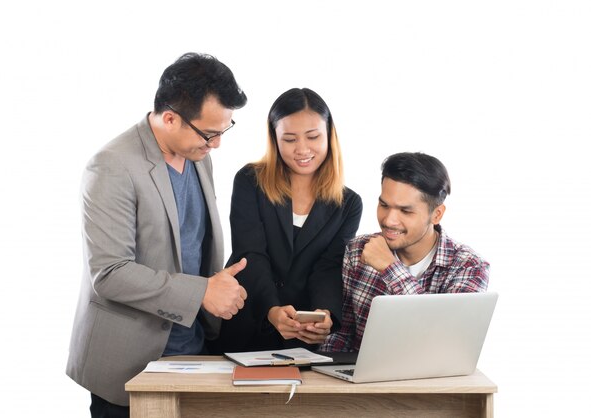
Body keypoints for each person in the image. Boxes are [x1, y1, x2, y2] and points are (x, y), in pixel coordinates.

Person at [66, 52, 249, 417]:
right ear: (169, 118)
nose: (216, 145)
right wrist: (203, 292)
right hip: (128, 365)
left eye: (223, 131)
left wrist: (218, 286)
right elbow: (110, 273)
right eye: (210, 133)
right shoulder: (111, 166)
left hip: (194, 354)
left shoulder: (198, 155)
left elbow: (194, 244)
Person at [207, 88, 363, 354]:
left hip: (302, 334)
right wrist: (271, 310)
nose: (302, 149)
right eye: (289, 139)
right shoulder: (250, 181)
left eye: (313, 137)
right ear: (275, 138)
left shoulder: (348, 203)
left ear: (329, 134)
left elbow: (329, 266)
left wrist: (324, 314)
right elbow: (250, 253)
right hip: (248, 319)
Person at [321, 152, 490, 352]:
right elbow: (343, 335)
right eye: (384, 205)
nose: (389, 220)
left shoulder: (469, 267)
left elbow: (445, 341)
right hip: (363, 380)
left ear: (437, 214)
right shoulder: (358, 251)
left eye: (405, 211)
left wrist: (390, 268)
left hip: (432, 381)